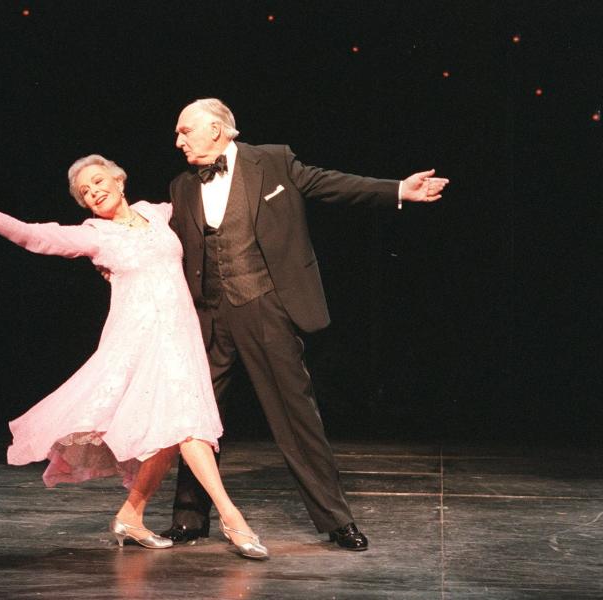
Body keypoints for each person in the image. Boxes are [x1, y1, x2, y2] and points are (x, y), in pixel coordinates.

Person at [0, 154, 268, 560]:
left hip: (181, 337)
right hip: (139, 341)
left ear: (120, 181)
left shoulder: (159, 214)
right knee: (189, 427)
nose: (94, 191)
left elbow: (207, 217)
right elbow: (35, 236)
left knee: (168, 438)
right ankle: (233, 518)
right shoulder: (96, 235)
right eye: (85, 191)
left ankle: (131, 516)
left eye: (99, 181)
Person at [162, 98, 450, 551]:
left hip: (264, 308)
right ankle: (189, 517)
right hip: (209, 316)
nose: (178, 141)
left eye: (185, 131)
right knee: (196, 418)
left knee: (295, 416)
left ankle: (336, 519)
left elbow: (330, 184)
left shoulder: (273, 161)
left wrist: (398, 190)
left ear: (217, 129)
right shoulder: (182, 185)